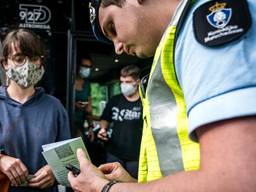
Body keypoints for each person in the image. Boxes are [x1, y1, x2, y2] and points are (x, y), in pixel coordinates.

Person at [68, 0, 256, 191]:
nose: (117, 47)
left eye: (112, 27)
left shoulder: (204, 23)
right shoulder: (174, 46)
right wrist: (132, 185)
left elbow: (236, 180)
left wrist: (105, 188)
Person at [0, 28, 71, 192]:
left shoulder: (55, 107)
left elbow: (69, 158)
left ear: (41, 62)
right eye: (19, 59)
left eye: (33, 58)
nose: (27, 65)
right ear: (5, 63)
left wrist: (54, 170)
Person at [97, 65, 143, 179]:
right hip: (114, 153)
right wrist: (103, 129)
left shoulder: (144, 102)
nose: (124, 85)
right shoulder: (115, 100)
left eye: (128, 81)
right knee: (112, 184)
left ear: (137, 82)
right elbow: (105, 119)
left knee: (133, 187)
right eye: (122, 81)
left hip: (136, 156)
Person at [74, 55, 94, 141]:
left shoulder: (87, 84)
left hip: (80, 124)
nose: (87, 69)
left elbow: (89, 109)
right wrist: (73, 104)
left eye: (89, 67)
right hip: (67, 123)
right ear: (78, 66)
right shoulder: (68, 80)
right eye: (84, 66)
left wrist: (90, 127)